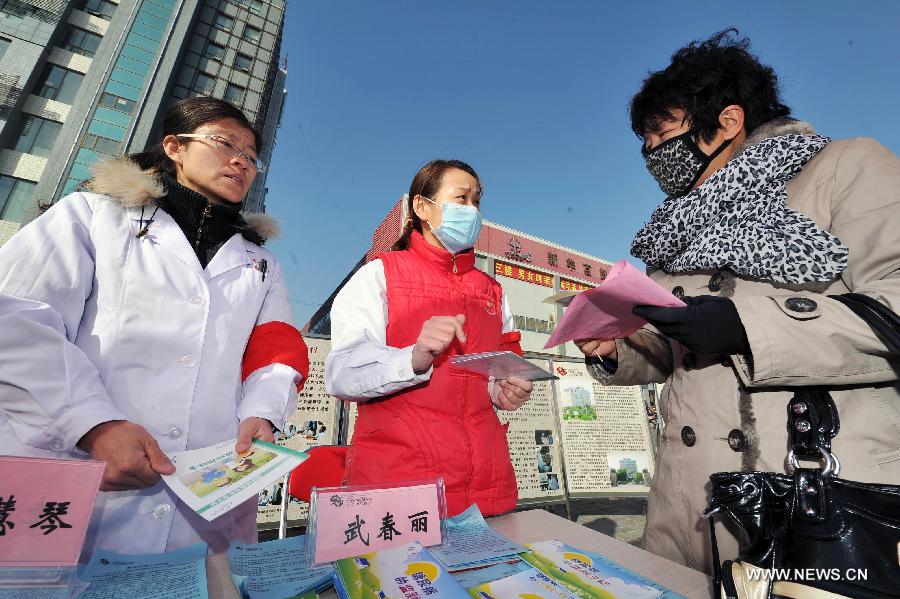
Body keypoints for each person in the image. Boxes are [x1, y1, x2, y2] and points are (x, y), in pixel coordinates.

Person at [576, 30, 900, 573]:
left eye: (663, 133)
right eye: (645, 141)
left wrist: (748, 326)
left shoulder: (843, 169)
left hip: (806, 492)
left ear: (727, 121)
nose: (652, 154)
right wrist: (615, 349)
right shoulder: (678, 228)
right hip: (686, 501)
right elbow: (676, 353)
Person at [0, 97, 309, 556]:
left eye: (251, 155)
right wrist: (92, 424)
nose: (241, 160)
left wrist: (263, 413)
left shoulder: (259, 263)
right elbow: (17, 321)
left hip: (210, 492)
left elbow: (276, 350)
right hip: (79, 477)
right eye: (225, 143)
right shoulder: (90, 216)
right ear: (174, 148)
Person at [325, 160, 533, 516]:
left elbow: (498, 372)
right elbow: (342, 374)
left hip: (485, 489)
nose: (472, 211)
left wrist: (503, 391)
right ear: (421, 206)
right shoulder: (380, 274)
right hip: (400, 489)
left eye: (477, 202)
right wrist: (413, 358)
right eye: (461, 199)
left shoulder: (493, 291)